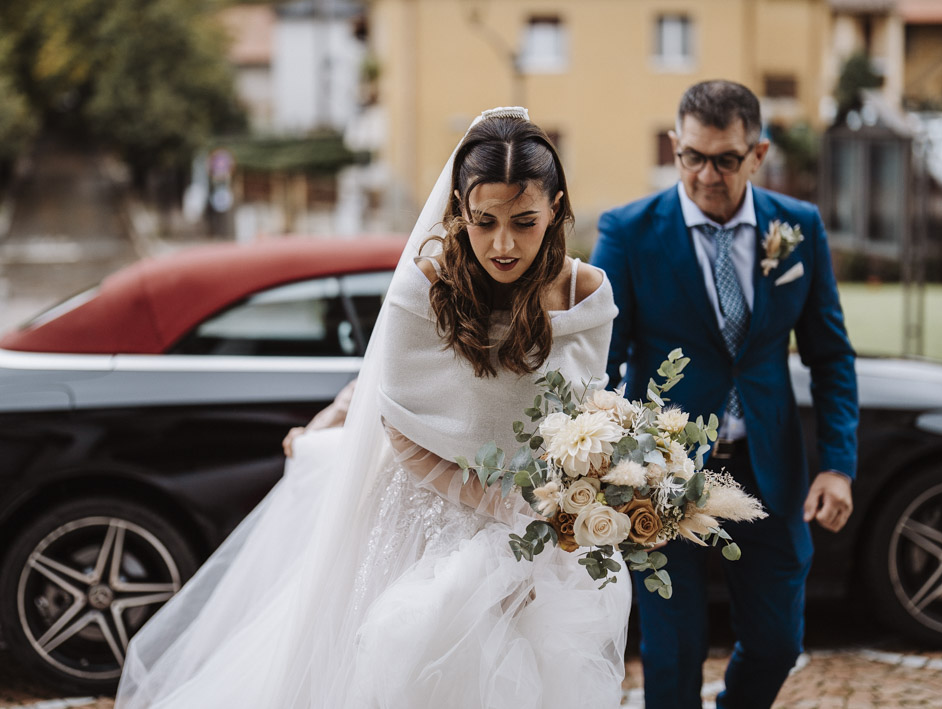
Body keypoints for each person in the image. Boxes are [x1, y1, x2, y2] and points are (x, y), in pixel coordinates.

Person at [116, 107, 630, 708]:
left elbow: (586, 418)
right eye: (484, 221)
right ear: (459, 210)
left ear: (557, 208)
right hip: (429, 520)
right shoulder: (426, 286)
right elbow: (401, 424)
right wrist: (503, 512)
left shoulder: (587, 292)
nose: (503, 244)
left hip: (544, 528)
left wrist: (574, 502)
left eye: (524, 222)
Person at [591, 80, 858, 709]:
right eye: (693, 157)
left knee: (776, 644)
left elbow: (830, 356)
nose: (707, 175)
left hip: (769, 472)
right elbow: (601, 363)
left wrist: (838, 465)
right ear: (676, 147)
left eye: (726, 160)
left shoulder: (798, 227)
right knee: (672, 656)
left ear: (758, 154)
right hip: (662, 475)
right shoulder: (628, 232)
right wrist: (607, 465)